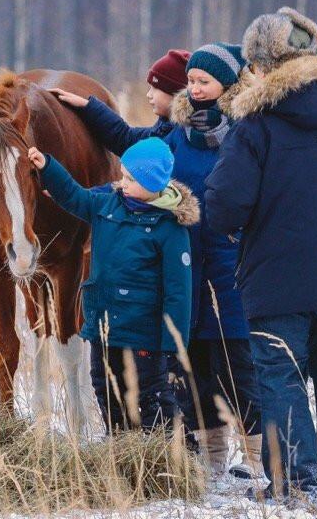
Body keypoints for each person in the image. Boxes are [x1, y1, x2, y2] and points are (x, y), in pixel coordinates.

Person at [51, 43, 263, 479]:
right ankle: (212, 462)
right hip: (185, 270)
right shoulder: (175, 133)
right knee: (194, 375)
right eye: (191, 81)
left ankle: (267, 464)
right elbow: (132, 146)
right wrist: (90, 107)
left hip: (230, 274)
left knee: (240, 373)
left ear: (228, 85)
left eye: (203, 81)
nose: (195, 88)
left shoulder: (248, 134)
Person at [205, 8, 317, 502]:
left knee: (280, 375)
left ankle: (297, 481)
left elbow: (225, 205)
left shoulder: (255, 126)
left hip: (273, 279)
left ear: (262, 63)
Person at [27, 138, 198, 435]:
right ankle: (119, 443)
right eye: (123, 175)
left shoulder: (170, 229)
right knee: (104, 384)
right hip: (104, 322)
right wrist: (49, 168)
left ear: (154, 184)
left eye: (131, 179)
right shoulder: (107, 204)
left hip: (143, 332)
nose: (123, 183)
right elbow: (74, 196)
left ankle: (168, 450)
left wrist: (174, 345)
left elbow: (179, 293)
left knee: (150, 392)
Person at [50, 49, 190, 144]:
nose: (148, 95)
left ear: (176, 94)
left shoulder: (181, 139)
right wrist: (88, 106)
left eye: (156, 88)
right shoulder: (163, 129)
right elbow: (125, 137)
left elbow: (126, 139)